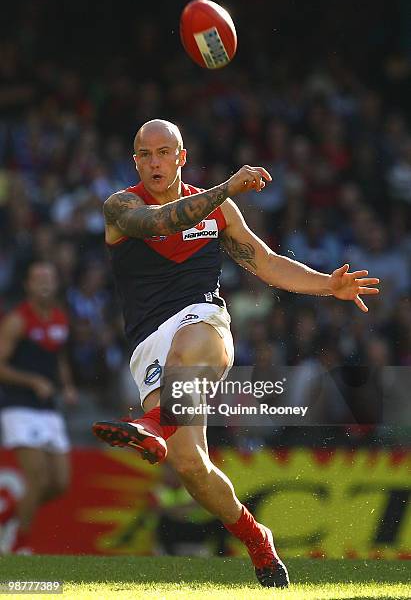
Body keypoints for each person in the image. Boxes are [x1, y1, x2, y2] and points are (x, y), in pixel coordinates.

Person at [93, 119, 380, 587]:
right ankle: (257, 538)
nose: (155, 162)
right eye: (145, 155)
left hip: (205, 325)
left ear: (181, 157)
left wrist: (329, 285)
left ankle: (151, 425)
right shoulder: (121, 206)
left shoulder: (220, 211)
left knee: (195, 338)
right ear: (135, 162)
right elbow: (158, 222)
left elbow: (264, 262)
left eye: (165, 152)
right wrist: (227, 186)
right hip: (149, 346)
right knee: (191, 468)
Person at [0, 262, 77, 553]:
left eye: (49, 277)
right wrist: (32, 381)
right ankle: (19, 546)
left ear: (56, 283)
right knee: (38, 478)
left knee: (60, 483)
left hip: (48, 408)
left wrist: (67, 386)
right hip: (19, 407)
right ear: (28, 285)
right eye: (38, 278)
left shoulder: (59, 317)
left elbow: (58, 359)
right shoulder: (17, 320)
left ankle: (9, 516)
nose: (44, 283)